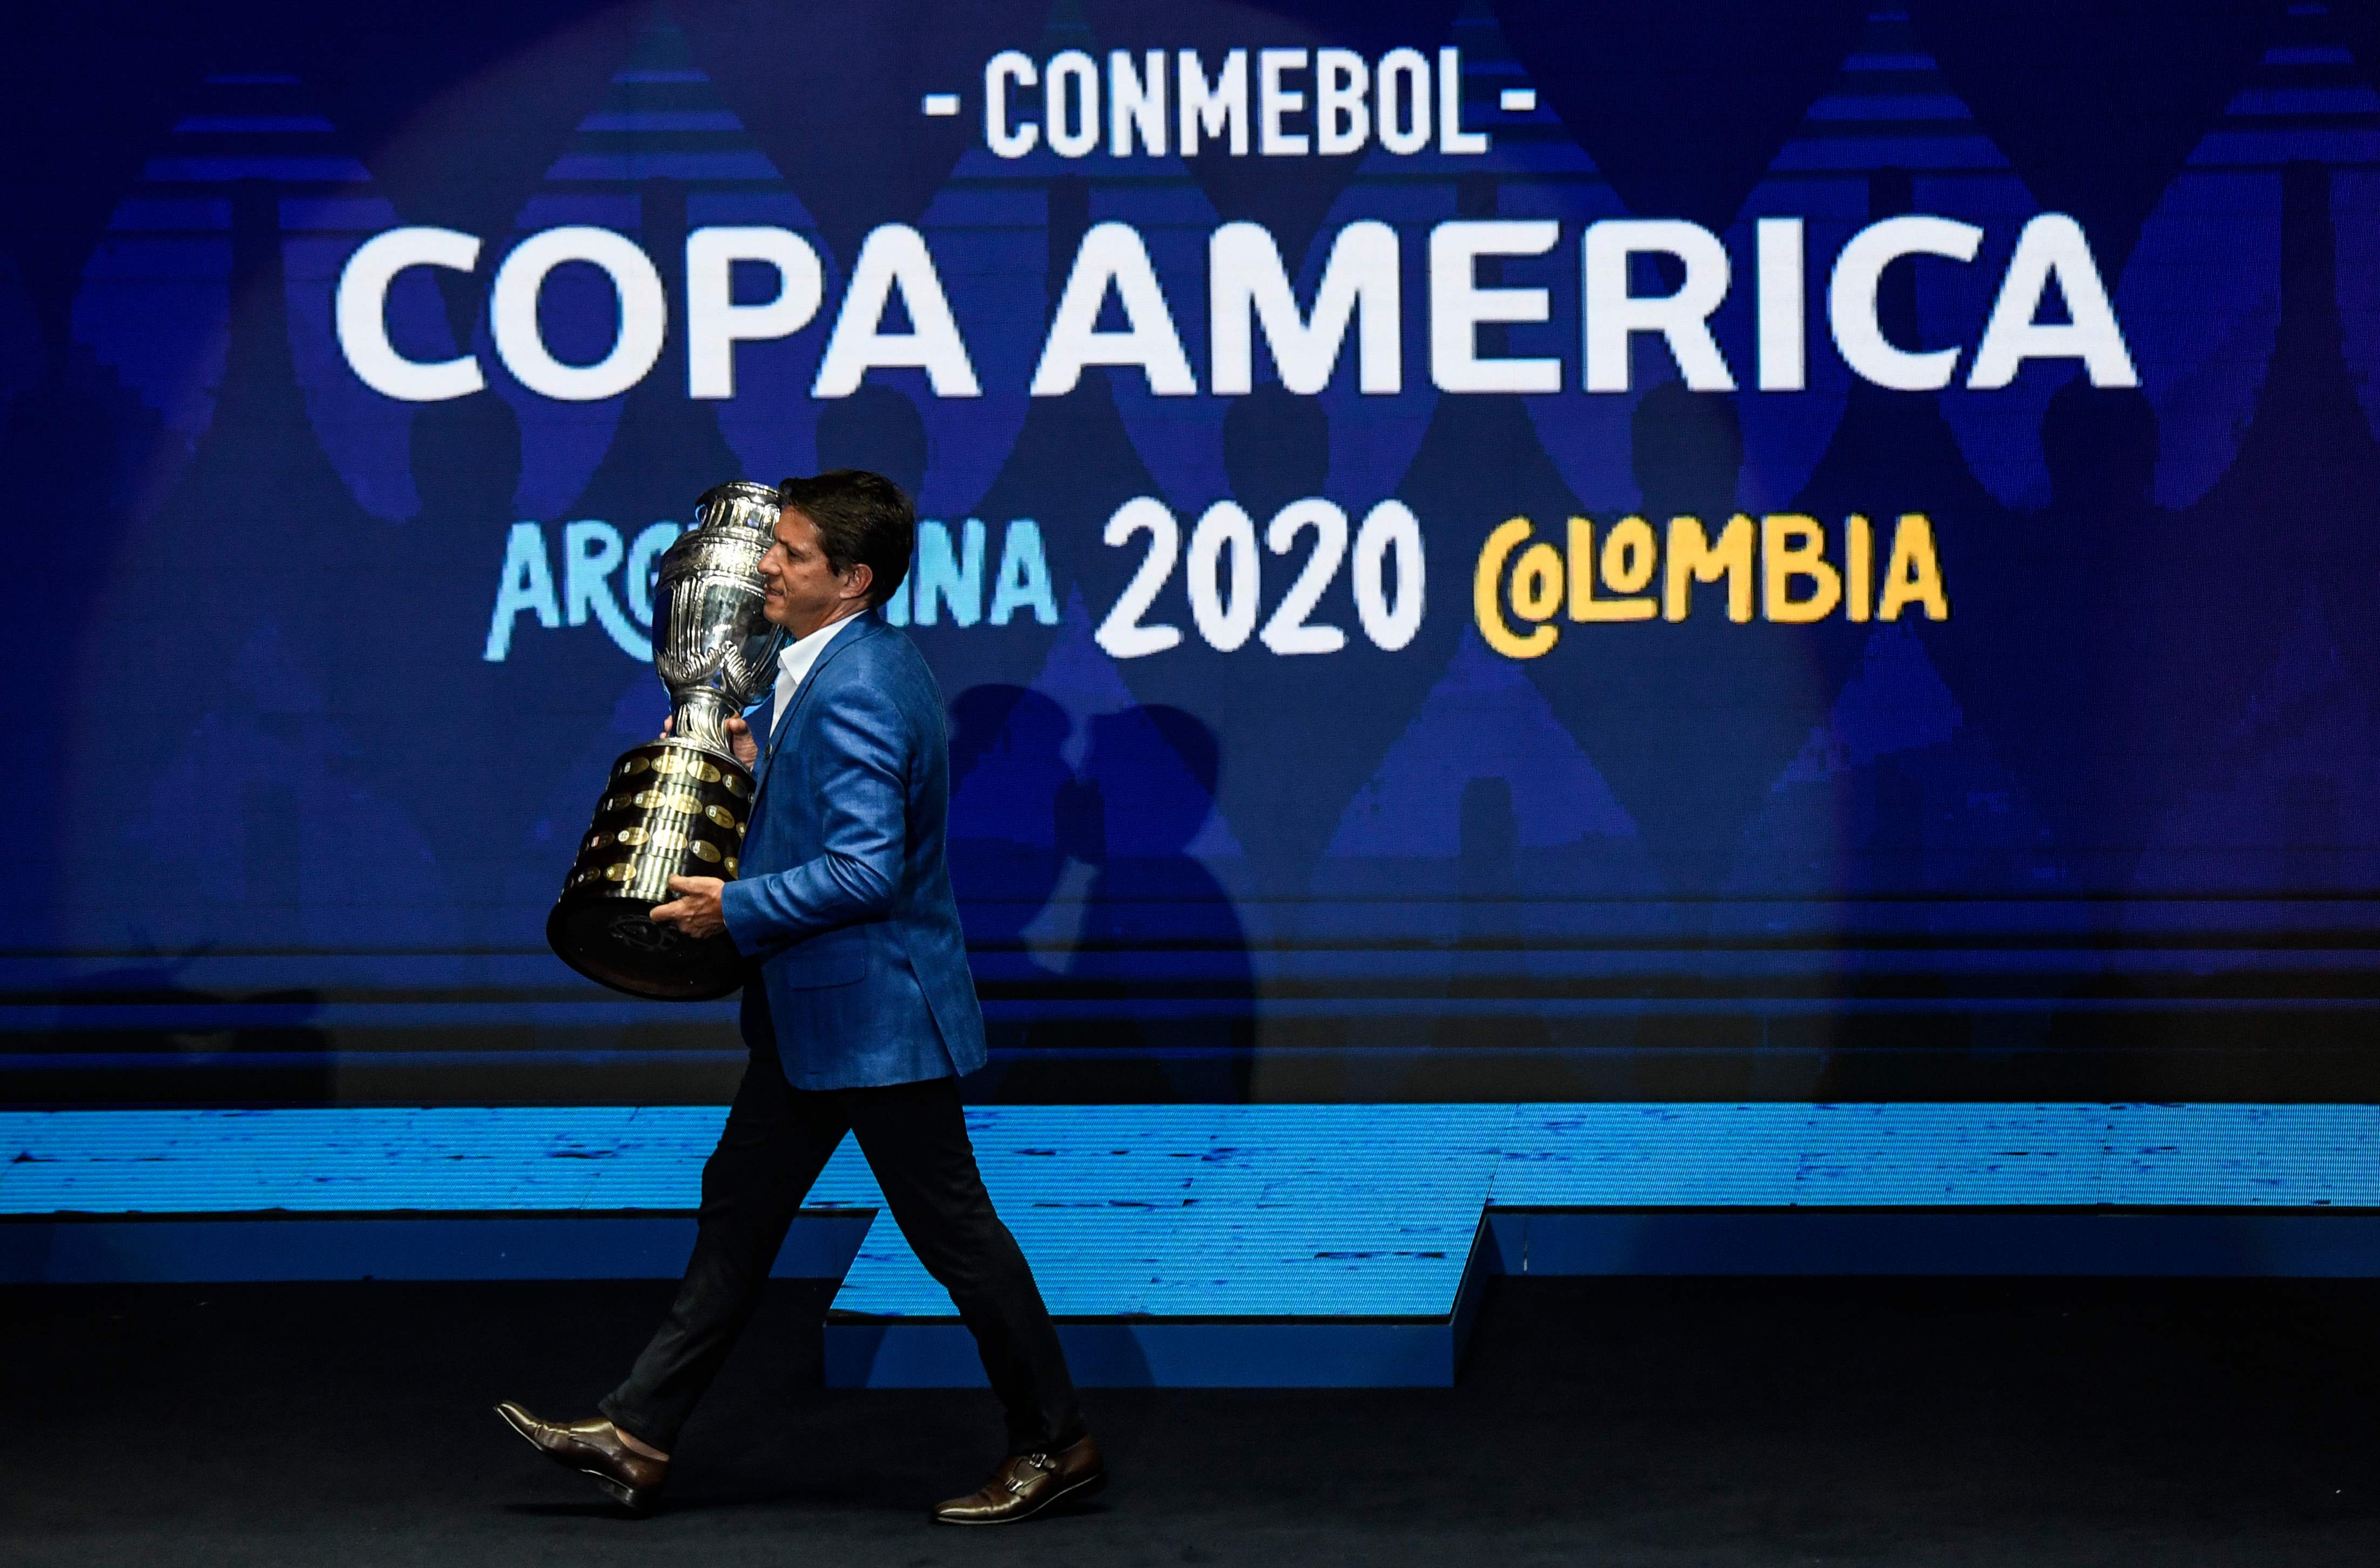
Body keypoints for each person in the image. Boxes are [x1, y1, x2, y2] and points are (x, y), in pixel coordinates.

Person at [496, 470, 1100, 1525]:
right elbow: (833, 810)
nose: (764, 566)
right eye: (771, 544)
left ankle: (1054, 1444)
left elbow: (867, 868)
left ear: (852, 579)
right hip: (814, 1014)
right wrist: (755, 766)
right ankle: (637, 1435)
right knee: (739, 1210)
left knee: (954, 1237)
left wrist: (735, 907)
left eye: (791, 554)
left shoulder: (862, 682)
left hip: (873, 1022)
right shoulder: (832, 665)